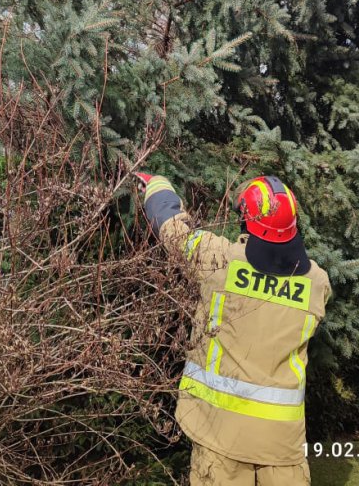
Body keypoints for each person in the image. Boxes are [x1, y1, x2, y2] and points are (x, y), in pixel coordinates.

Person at [136, 173, 331, 486]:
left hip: (219, 434)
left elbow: (174, 231)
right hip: (281, 443)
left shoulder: (220, 261)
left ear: (246, 221)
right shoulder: (317, 283)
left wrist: (157, 186)